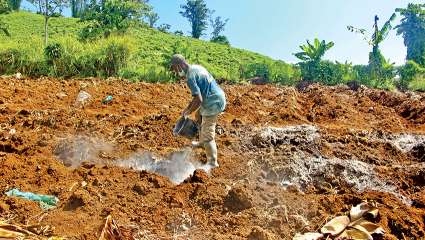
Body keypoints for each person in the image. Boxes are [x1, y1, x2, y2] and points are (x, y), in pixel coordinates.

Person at [170, 54, 226, 167]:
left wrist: (188, 112)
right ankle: (201, 143)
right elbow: (197, 97)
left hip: (213, 102)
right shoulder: (196, 67)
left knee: (208, 135)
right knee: (198, 115)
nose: (176, 73)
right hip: (214, 96)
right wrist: (187, 109)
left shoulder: (190, 77)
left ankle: (212, 162)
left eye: (176, 69)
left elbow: (199, 99)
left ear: (180, 65)